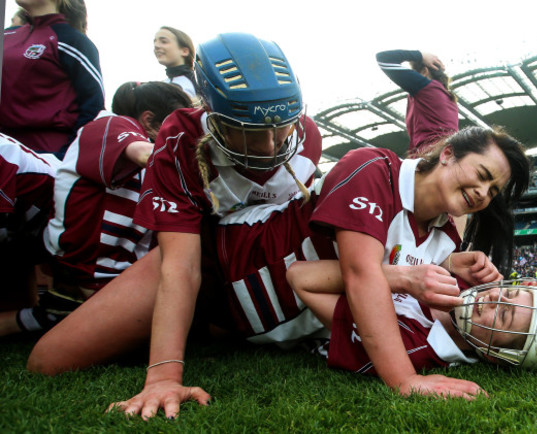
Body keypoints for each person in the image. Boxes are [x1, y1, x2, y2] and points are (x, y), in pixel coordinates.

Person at [30, 122, 529, 418]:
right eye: (480, 176)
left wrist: (536, 294)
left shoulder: (447, 233)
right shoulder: (374, 168)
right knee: (48, 364)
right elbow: (363, 277)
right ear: (446, 154)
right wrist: (404, 381)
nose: (482, 194)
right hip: (215, 268)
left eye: (492, 192)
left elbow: (433, 292)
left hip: (238, 327)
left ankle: (62, 302)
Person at [28, 31, 321, 413]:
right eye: (249, 131)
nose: (269, 145)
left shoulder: (307, 135)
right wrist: (164, 376)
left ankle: (217, 325)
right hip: (202, 259)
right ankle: (197, 325)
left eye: (280, 126)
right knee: (50, 360)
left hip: (258, 262)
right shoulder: (181, 138)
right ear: (211, 113)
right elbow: (180, 265)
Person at [0, 81, 192, 337]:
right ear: (149, 120)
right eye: (180, 128)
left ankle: (57, 312)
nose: (188, 138)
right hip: (94, 270)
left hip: (106, 270)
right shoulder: (113, 125)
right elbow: (145, 154)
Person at [288, 261, 537, 388]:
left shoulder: (411, 349)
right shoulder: (463, 288)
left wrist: (399, 276)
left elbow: (300, 277)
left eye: (503, 314)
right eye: (509, 292)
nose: (494, 295)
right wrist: (449, 260)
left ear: (493, 354)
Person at [1, 0, 104, 156]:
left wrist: (64, 158)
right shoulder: (7, 36)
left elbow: (93, 108)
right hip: (4, 150)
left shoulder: (72, 40)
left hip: (45, 156)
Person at [0, 133, 60, 336]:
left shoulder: (4, 152)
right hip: (21, 228)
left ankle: (44, 316)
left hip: (62, 223)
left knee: (68, 314)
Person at [376, 49, 458, 156]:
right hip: (448, 156)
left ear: (425, 71)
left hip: (430, 156)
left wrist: (421, 55)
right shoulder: (449, 97)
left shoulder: (426, 87)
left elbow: (384, 58)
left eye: (415, 73)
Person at [153, 26, 198, 98]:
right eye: (155, 42)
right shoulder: (160, 86)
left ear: (184, 51)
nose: (156, 46)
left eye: (164, 42)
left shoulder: (200, 83)